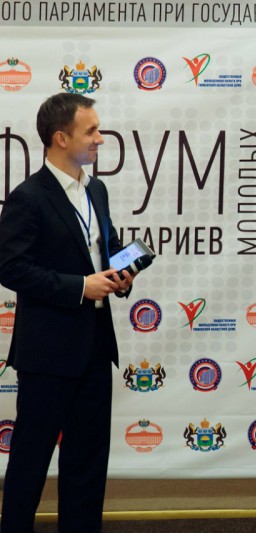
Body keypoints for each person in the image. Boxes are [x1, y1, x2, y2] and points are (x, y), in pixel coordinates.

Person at [0, 93, 133, 532]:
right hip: (47, 355)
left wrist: (120, 273)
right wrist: (79, 287)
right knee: (30, 462)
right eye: (91, 130)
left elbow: (103, 248)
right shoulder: (28, 197)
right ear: (61, 138)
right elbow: (11, 267)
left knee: (88, 463)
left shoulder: (97, 189)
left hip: (95, 348)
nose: (100, 138)